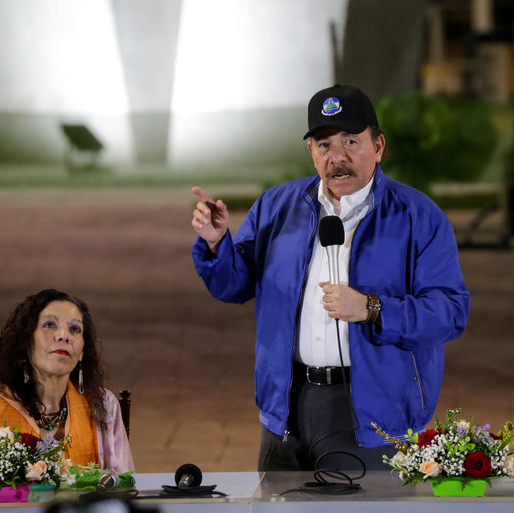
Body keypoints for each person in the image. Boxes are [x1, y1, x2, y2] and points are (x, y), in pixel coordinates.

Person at [191, 84, 470, 471]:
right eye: (324, 145)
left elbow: (451, 312)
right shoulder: (276, 206)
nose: (337, 157)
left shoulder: (418, 216)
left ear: (378, 146)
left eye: (351, 142)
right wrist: (217, 242)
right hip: (287, 407)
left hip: (372, 412)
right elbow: (232, 286)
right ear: (310, 152)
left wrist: (372, 309)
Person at [0, 289, 134, 473]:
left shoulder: (103, 405)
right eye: (50, 324)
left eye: (75, 329)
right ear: (26, 342)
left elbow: (123, 486)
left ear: (82, 352)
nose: (63, 335)